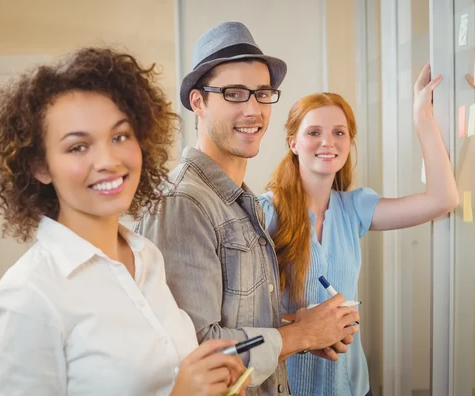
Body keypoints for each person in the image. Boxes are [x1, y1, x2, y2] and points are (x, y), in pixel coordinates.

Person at [0, 47, 250, 396]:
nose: (108, 160)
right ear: (40, 167)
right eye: (78, 147)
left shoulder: (147, 257)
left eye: (120, 137)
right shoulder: (27, 298)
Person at [135, 21, 360, 395]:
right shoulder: (184, 203)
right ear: (198, 101)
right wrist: (301, 335)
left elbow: (236, 318)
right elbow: (196, 348)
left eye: (262, 93)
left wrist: (296, 322)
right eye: (235, 93)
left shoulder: (242, 199)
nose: (253, 109)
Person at [257, 63, 459, 395]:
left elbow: (442, 198)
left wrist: (422, 117)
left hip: (350, 386)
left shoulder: (355, 208)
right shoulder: (265, 213)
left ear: (349, 142)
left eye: (339, 132)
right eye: (314, 132)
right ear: (293, 143)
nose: (328, 142)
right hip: (288, 386)